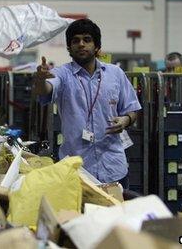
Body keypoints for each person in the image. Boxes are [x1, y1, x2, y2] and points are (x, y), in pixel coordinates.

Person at [34, 19, 141, 188]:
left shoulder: (115, 74)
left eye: (87, 39)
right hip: (77, 171)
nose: (81, 44)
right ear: (69, 47)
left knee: (117, 214)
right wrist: (40, 80)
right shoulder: (62, 74)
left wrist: (125, 120)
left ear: (97, 46)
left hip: (114, 168)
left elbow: (132, 109)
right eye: (75, 41)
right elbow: (45, 89)